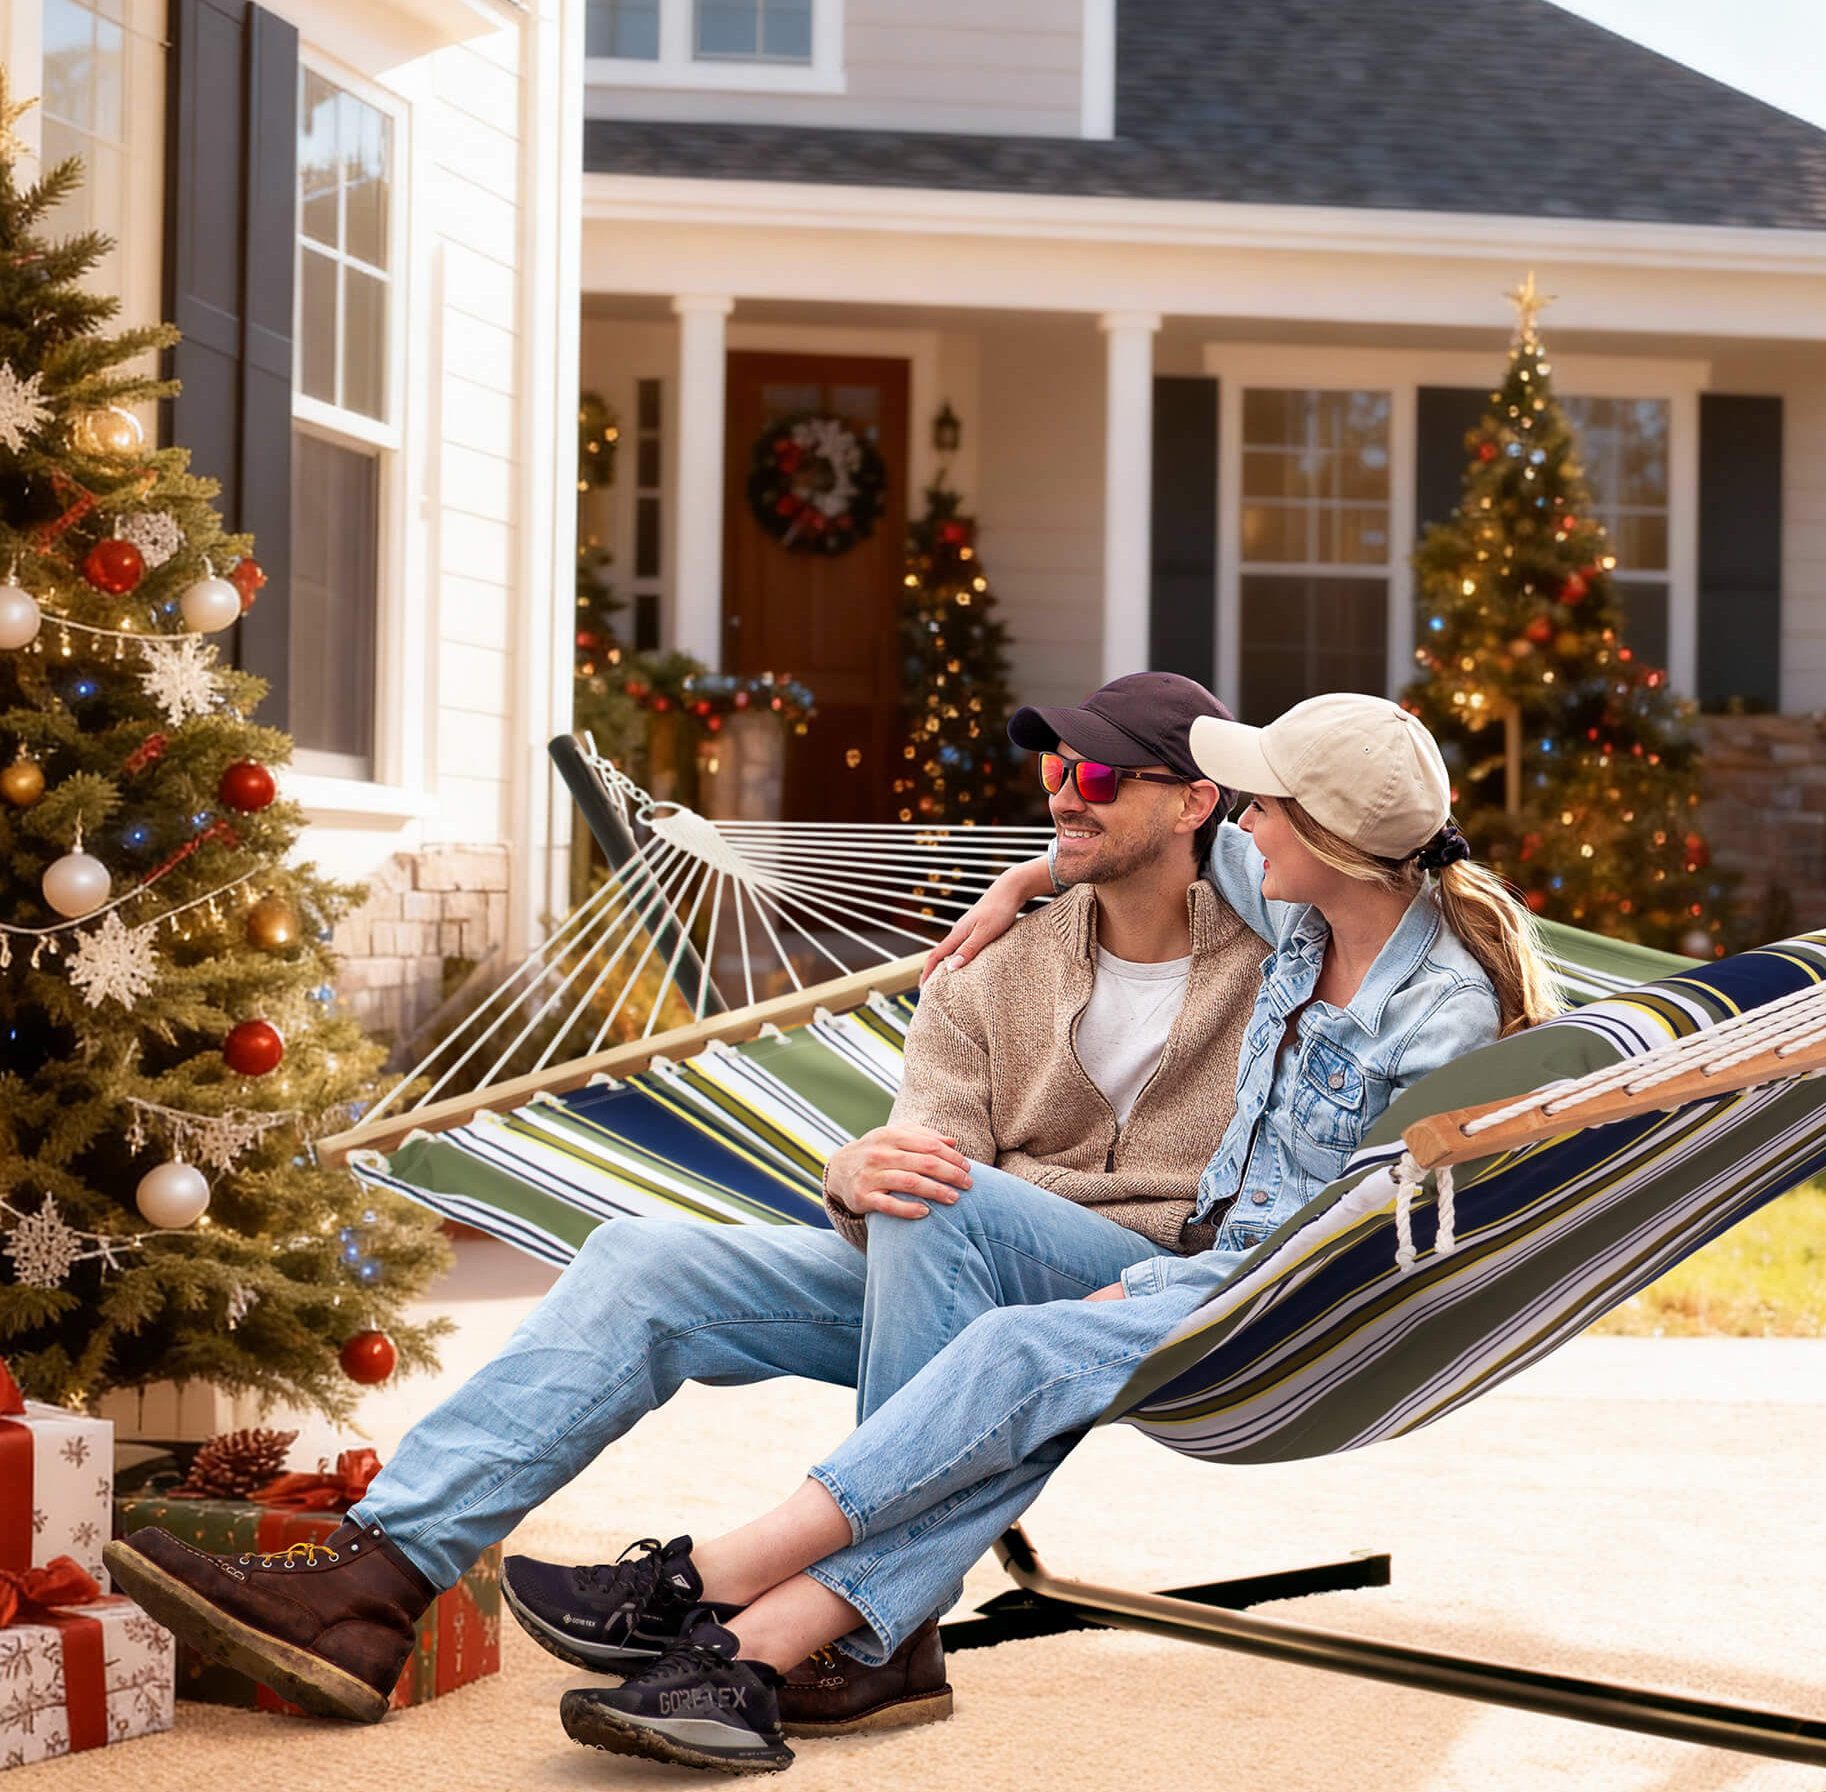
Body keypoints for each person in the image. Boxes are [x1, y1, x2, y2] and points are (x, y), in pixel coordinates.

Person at [105, 674, 1272, 1733]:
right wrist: (850, 1174)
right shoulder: (989, 965)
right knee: (642, 1258)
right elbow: (929, 1152)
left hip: (1162, 1293)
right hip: (963, 1260)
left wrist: (1023, 883)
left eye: (1105, 776)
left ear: (1196, 804)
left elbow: (1382, 872)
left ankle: (869, 1623)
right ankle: (377, 1580)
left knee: (939, 1198)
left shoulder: (1282, 947)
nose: (1067, 796)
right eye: (1055, 772)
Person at [544, 691, 1565, 1774]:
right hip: (1212, 1266)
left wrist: (1159, 1296)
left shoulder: (1435, 1014)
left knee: (1016, 1352)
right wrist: (1025, 880)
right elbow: (1134, 853)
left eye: (1263, 805)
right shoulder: (1301, 913)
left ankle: (715, 1585)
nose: (1245, 824)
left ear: (1331, 837)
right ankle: (761, 1653)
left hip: (1285, 1312)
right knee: (985, 1309)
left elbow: (1357, 1238)